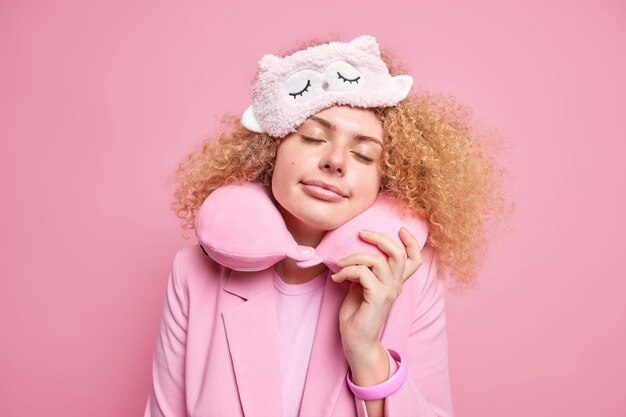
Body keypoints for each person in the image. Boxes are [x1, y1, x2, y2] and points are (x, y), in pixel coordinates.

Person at [144, 34, 511, 417]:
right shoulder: (192, 273)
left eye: (364, 154)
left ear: (385, 181)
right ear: (270, 151)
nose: (336, 161)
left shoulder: (411, 279)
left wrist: (366, 351)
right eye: (313, 137)